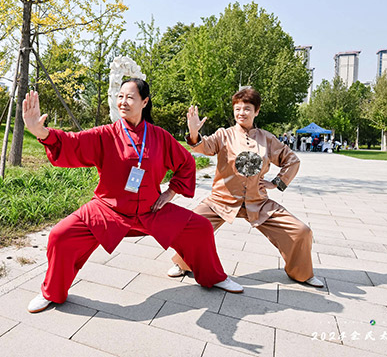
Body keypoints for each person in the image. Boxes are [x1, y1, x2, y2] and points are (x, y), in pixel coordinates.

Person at [23, 78, 243, 313]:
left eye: (130, 97)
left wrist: (171, 191)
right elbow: (73, 142)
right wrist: (41, 131)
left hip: (151, 209)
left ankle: (213, 277)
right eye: (120, 96)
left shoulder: (160, 136)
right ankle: (51, 292)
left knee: (200, 228)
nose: (123, 102)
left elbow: (186, 163)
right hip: (109, 209)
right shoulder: (106, 134)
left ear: (144, 101)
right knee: (60, 235)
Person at [167, 87, 323, 288]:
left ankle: (302, 273)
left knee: (301, 231)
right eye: (237, 108)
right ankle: (183, 263)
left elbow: (291, 160)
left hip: (257, 201)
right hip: (221, 200)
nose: (241, 113)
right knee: (191, 226)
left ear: (256, 111)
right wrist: (194, 132)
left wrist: (276, 182)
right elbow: (204, 147)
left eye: (247, 108)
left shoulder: (267, 139)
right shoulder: (224, 135)